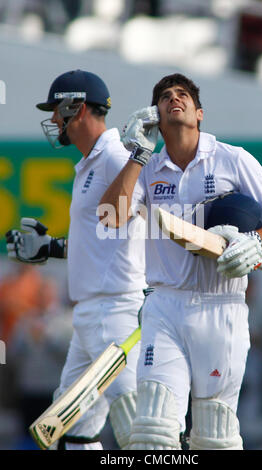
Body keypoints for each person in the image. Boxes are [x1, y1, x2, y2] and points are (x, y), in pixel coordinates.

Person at [99, 73, 262, 450]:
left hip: (221, 307)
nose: (175, 99)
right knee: (152, 433)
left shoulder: (232, 159)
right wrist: (138, 154)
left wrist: (253, 242)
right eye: (165, 97)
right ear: (153, 114)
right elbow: (110, 217)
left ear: (199, 112)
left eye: (183, 94)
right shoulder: (148, 168)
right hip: (165, 306)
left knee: (214, 437)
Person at [5, 69, 147, 450]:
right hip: (90, 313)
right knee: (71, 428)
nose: (53, 120)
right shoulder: (90, 163)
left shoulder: (115, 157)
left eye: (57, 110)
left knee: (139, 429)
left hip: (117, 310)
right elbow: (103, 237)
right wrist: (51, 248)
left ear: (77, 108)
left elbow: (131, 220)